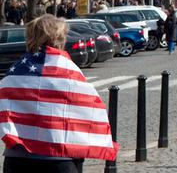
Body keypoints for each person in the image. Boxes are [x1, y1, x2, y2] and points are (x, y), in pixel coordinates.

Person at [0, 15, 118, 171]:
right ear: (60, 38)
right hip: (59, 159)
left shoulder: (15, 73)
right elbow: (91, 112)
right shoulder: (69, 73)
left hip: (18, 158)